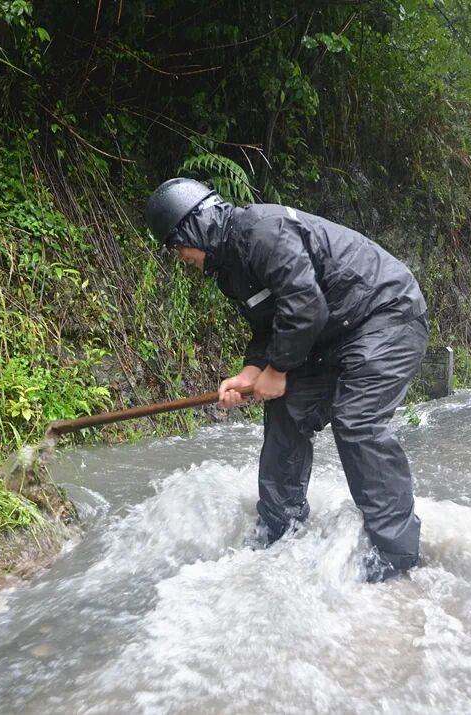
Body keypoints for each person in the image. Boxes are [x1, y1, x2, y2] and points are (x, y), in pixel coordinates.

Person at [144, 178, 429, 581]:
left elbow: (306, 307)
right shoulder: (231, 269)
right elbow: (269, 327)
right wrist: (251, 371)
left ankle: (396, 557)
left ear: (196, 225)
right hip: (332, 334)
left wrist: (277, 371)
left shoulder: (263, 231)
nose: (180, 258)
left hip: (386, 315)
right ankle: (280, 529)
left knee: (357, 421)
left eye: (178, 246)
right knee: (285, 410)